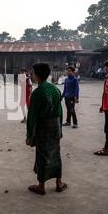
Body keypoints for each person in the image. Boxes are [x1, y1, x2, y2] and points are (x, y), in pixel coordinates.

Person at [26, 63, 67, 195]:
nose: (32, 75)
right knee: (56, 153)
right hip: (55, 124)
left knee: (42, 154)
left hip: (43, 125)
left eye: (33, 73)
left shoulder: (37, 93)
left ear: (36, 75)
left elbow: (32, 116)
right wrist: (60, 128)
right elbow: (60, 111)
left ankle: (41, 186)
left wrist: (29, 135)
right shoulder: (55, 89)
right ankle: (59, 183)